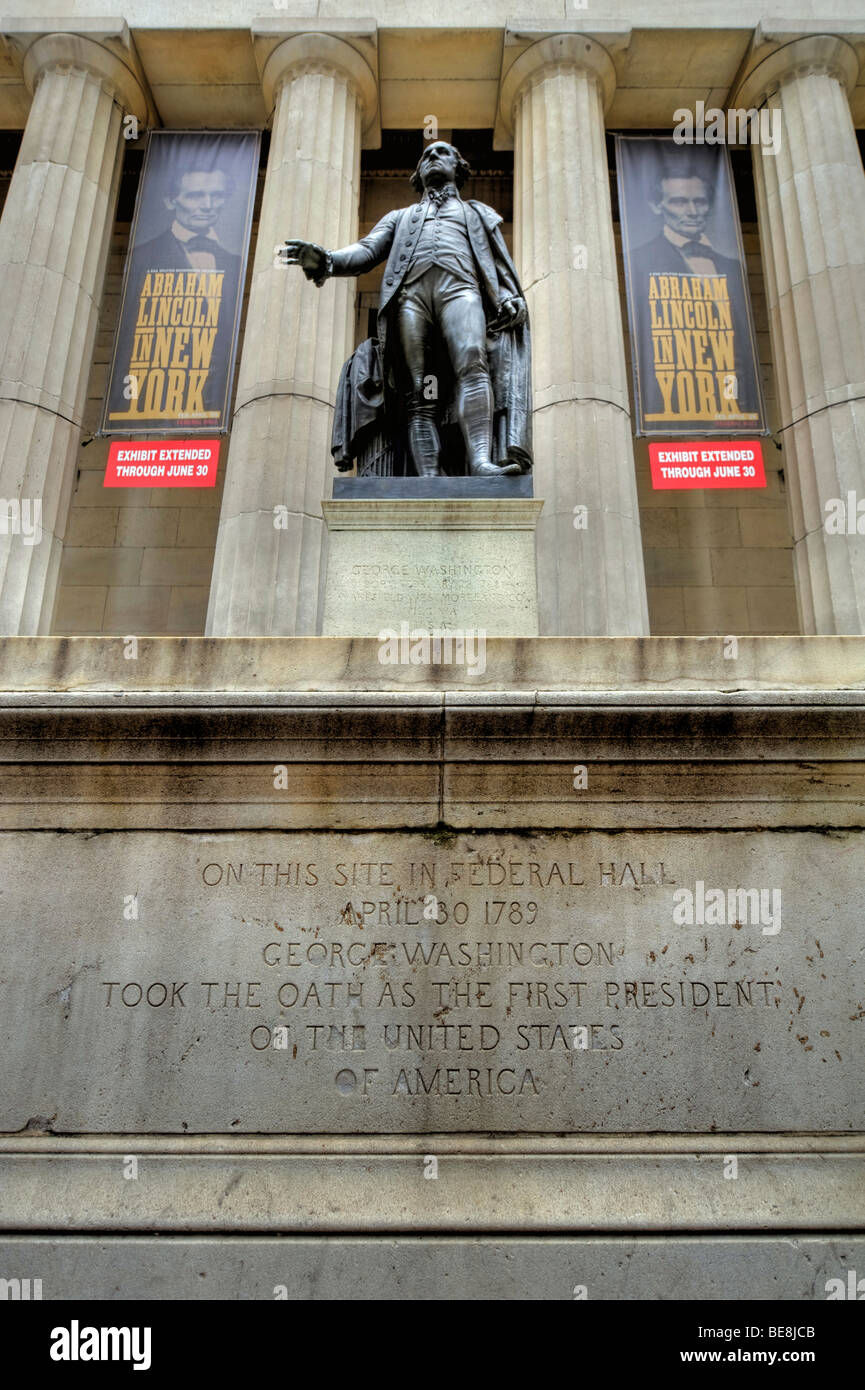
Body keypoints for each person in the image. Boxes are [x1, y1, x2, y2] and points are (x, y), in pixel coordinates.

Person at [282, 141, 532, 478]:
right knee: (421, 390)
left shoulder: (475, 213)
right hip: (411, 301)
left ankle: (480, 462)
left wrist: (506, 296)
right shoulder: (401, 218)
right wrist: (327, 260)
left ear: (458, 167)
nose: (431, 157)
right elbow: (366, 251)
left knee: (473, 361)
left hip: (461, 291)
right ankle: (428, 477)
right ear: (418, 174)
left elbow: (496, 264)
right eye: (426, 156)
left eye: (441, 153)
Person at [627, 166, 758, 419]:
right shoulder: (637, 262)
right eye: (679, 202)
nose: (692, 211)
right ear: (657, 206)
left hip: (735, 401)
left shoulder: (732, 266)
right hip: (672, 402)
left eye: (700, 201)